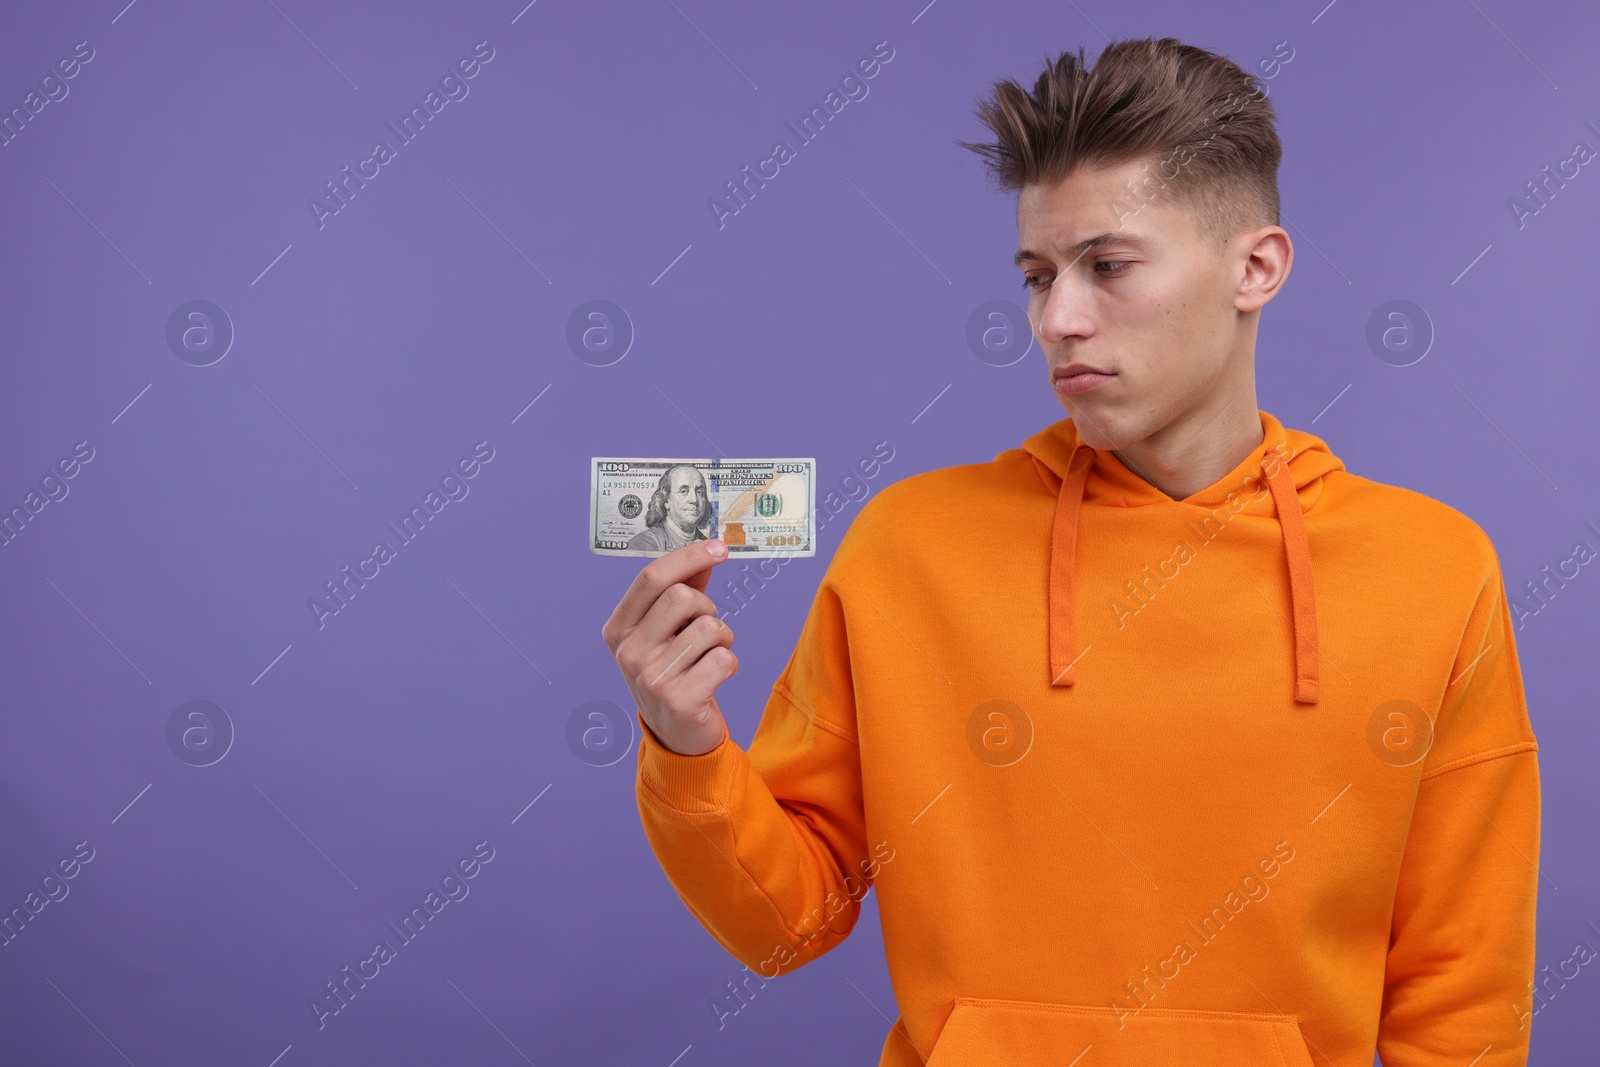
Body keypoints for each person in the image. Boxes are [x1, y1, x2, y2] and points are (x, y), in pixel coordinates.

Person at [601, 36, 1539, 1066]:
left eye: (1107, 265)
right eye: (1037, 275)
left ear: (1255, 267)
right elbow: (788, 923)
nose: (1058, 319)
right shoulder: (909, 545)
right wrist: (684, 742)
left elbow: (1462, 987)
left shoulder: (1434, 567)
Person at [625, 464, 712, 552]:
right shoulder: (644, 544)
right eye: (684, 491)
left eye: (699, 492)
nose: (694, 500)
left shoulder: (708, 545)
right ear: (666, 500)